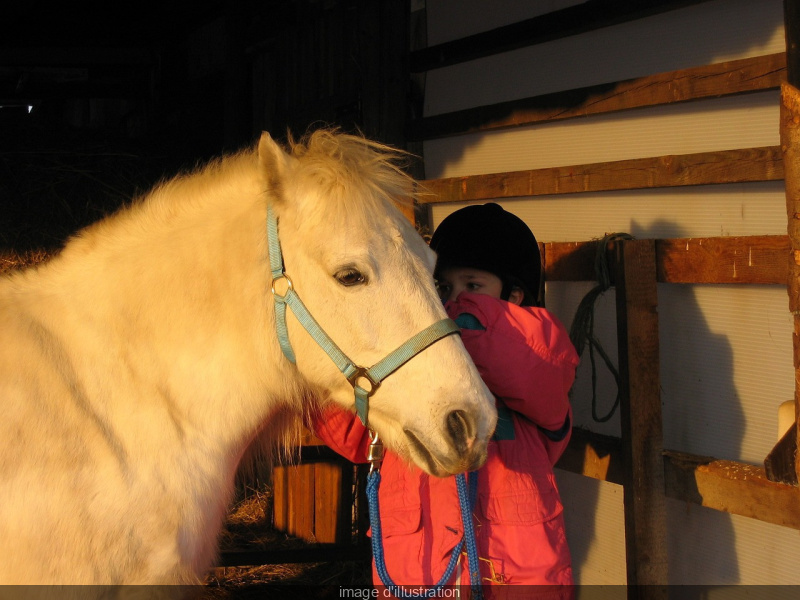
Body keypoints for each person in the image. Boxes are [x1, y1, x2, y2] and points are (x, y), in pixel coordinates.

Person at [308, 203, 579, 598]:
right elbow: (354, 434)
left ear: (516, 296)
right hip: (417, 567)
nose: (453, 302)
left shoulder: (540, 355)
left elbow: (530, 363)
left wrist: (444, 327)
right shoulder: (407, 371)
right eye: (442, 289)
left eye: (473, 286)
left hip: (513, 577)